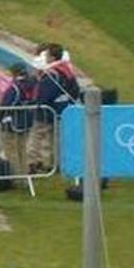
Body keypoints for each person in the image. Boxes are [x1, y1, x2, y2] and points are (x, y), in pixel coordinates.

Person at [28, 43, 81, 173]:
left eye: (46, 55)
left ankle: (32, 163)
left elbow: (45, 95)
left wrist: (37, 103)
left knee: (37, 136)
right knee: (53, 139)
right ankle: (52, 163)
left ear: (52, 57)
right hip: (61, 110)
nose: (44, 57)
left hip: (48, 111)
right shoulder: (66, 69)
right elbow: (75, 90)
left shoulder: (53, 73)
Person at [0, 63, 36, 182]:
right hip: (26, 122)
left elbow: (5, 106)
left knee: (12, 151)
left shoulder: (14, 88)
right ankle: (24, 177)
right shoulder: (33, 84)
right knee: (22, 150)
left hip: (11, 124)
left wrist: (0, 118)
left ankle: (16, 178)